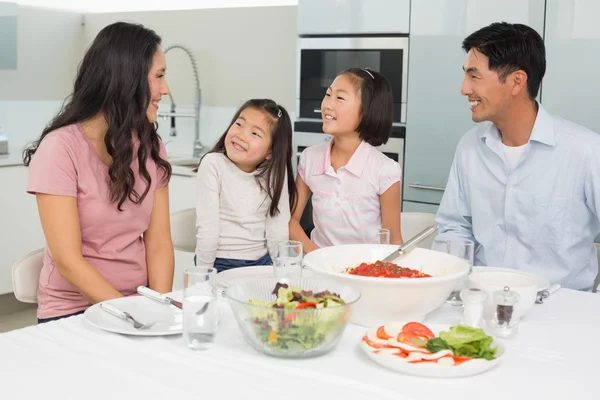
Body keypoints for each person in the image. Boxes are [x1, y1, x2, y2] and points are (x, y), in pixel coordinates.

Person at [24, 22, 175, 323]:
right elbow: (68, 261)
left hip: (138, 304)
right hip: (73, 312)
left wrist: (160, 309)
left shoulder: (150, 145)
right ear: (127, 78)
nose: (165, 89)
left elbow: (159, 244)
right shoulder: (60, 149)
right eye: (158, 76)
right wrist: (133, 318)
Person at [435, 22, 600, 291]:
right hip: (482, 302)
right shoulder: (469, 148)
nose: (464, 89)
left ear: (516, 82)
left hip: (561, 313)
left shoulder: (586, 151)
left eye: (474, 76)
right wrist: (452, 286)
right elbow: (454, 227)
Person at [289, 68, 403, 253]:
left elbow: (393, 241)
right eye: (328, 94)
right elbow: (291, 220)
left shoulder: (385, 170)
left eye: (340, 98)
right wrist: (316, 255)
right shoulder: (310, 159)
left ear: (367, 110)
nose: (327, 104)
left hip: (364, 273)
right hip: (319, 269)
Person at [194, 99, 296, 272]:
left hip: (261, 263)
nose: (241, 135)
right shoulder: (213, 164)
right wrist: (203, 276)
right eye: (239, 124)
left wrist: (282, 271)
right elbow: (208, 230)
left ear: (270, 151)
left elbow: (277, 229)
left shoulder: (274, 173)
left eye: (255, 134)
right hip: (219, 262)